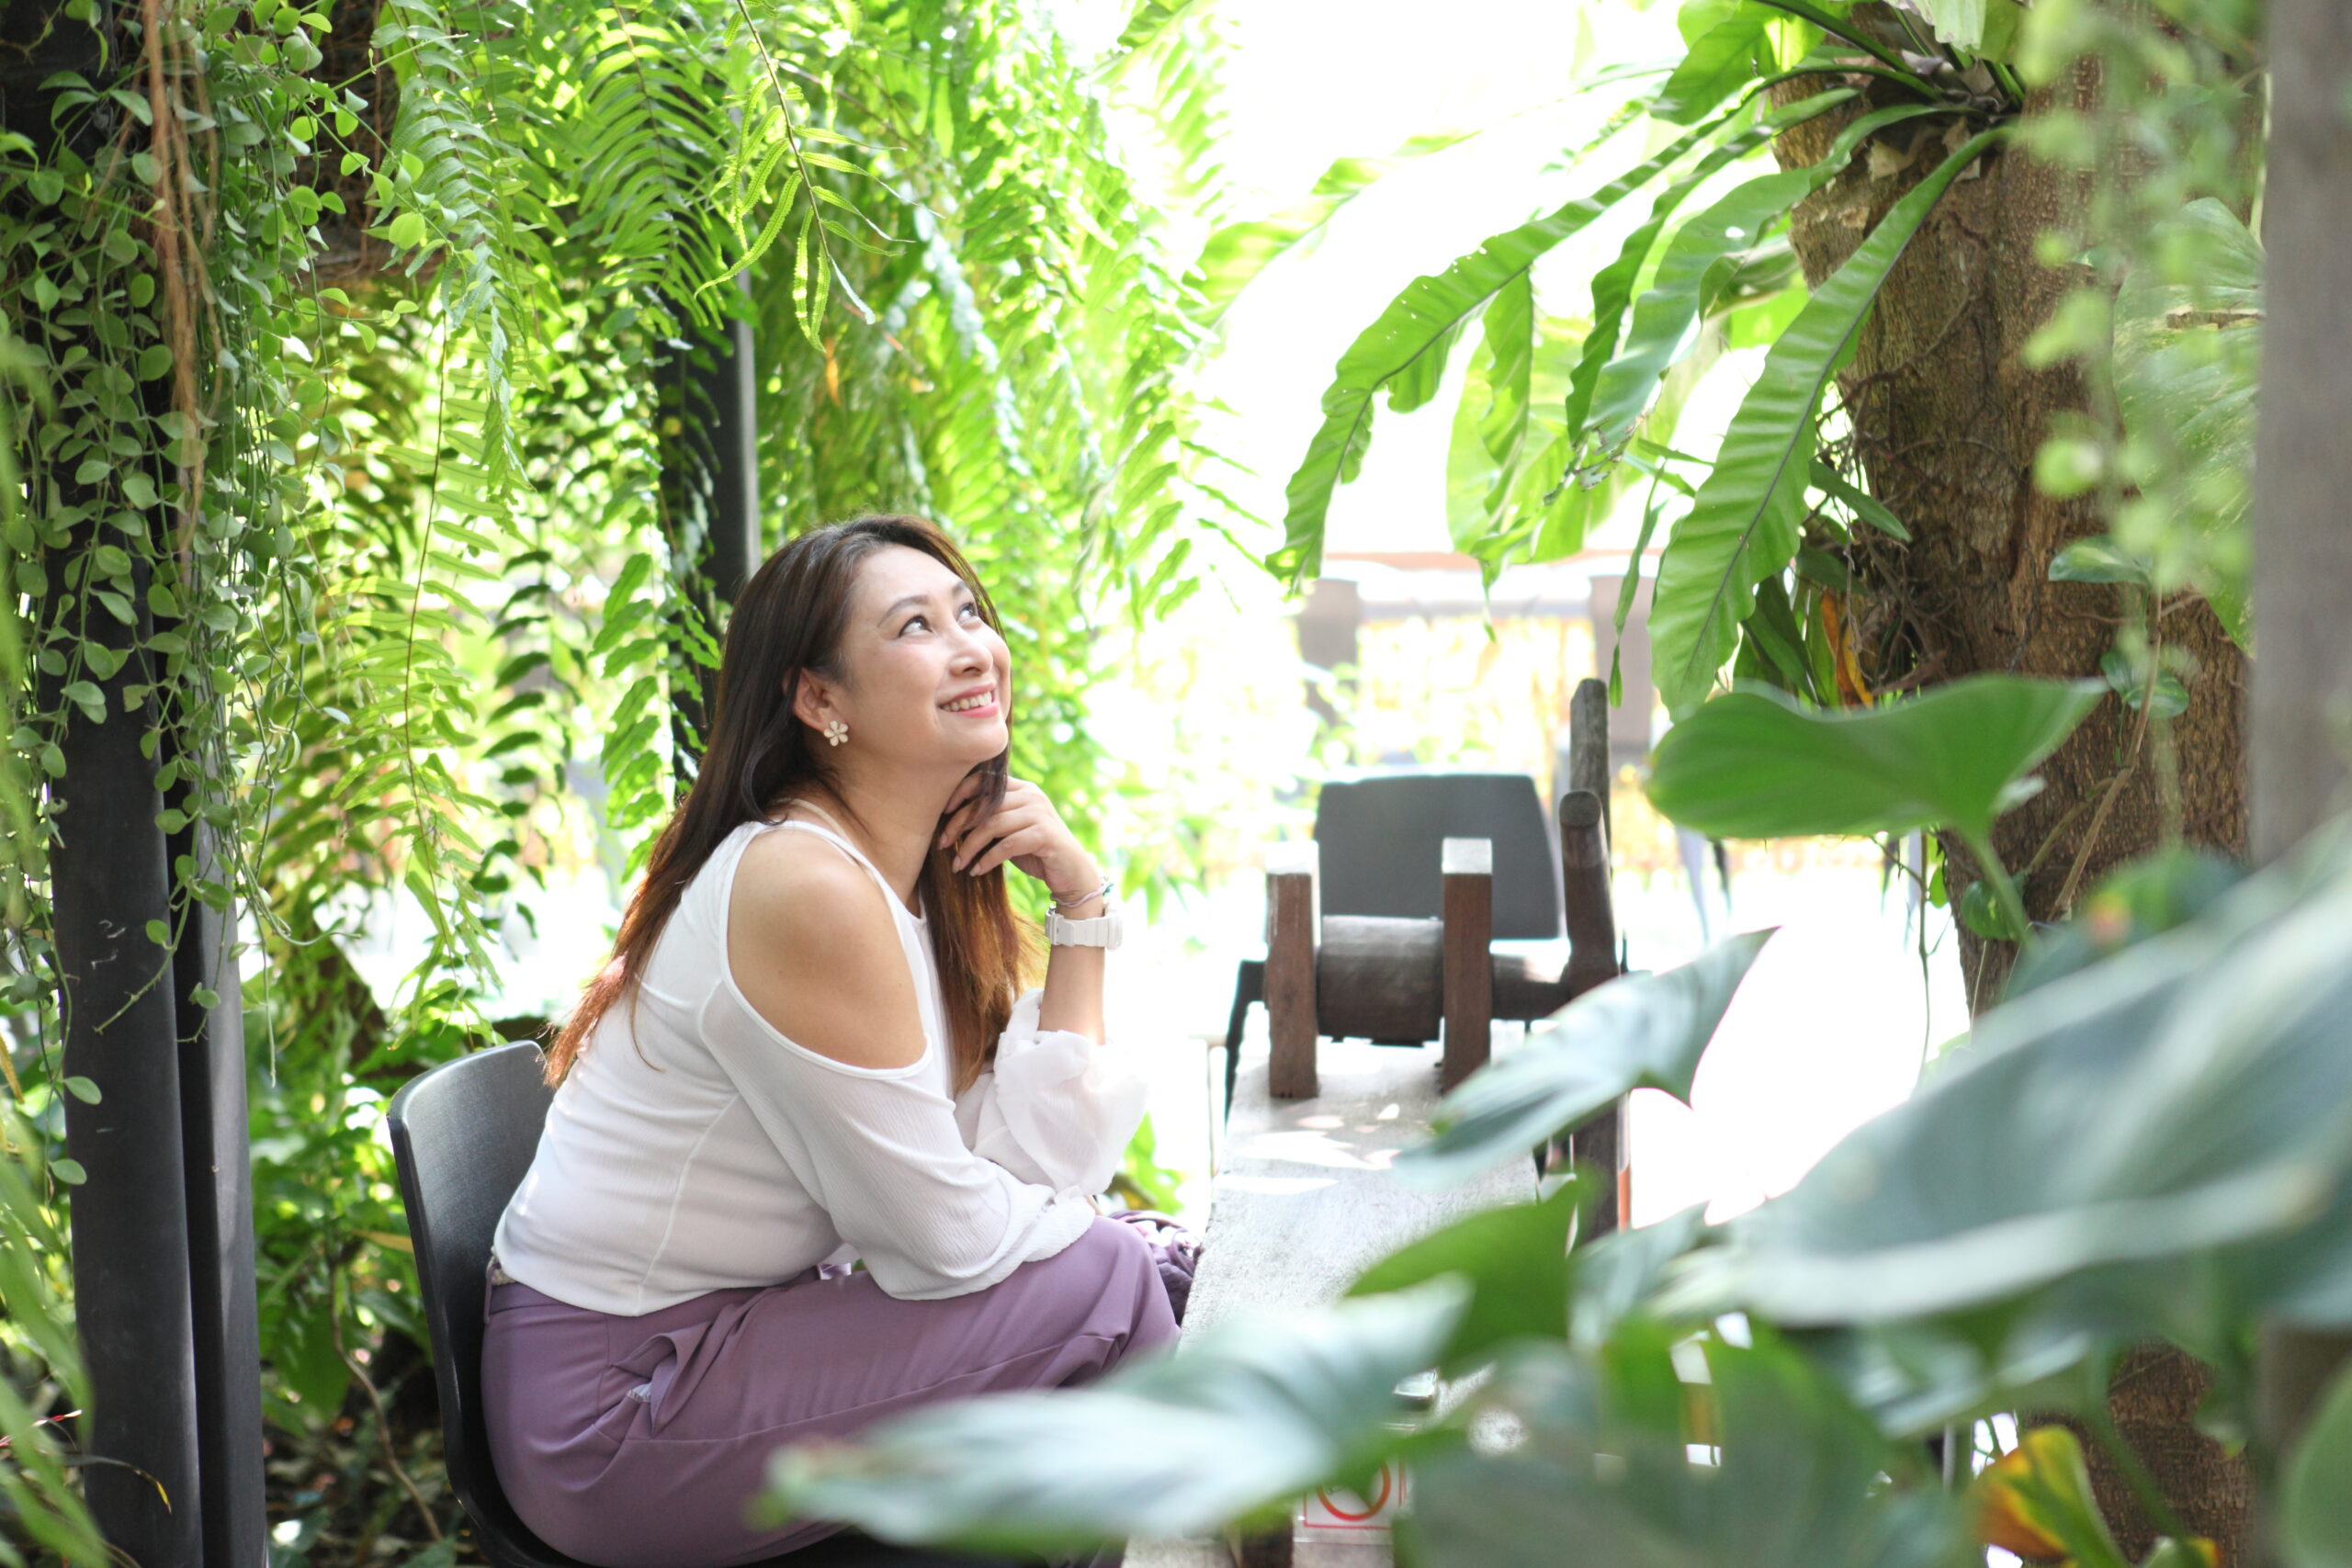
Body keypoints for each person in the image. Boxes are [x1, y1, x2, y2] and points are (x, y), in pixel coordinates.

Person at [482, 516, 1187, 1567]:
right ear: (820, 700)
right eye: (914, 625)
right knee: (1110, 1279)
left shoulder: (897, 883)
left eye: (968, 614)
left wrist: (1080, 906)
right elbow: (944, 1242)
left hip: (724, 1349)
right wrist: (1096, 1247)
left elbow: (1031, 1160)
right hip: (620, 1418)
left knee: (1133, 1269)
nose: (968, 647)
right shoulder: (804, 886)